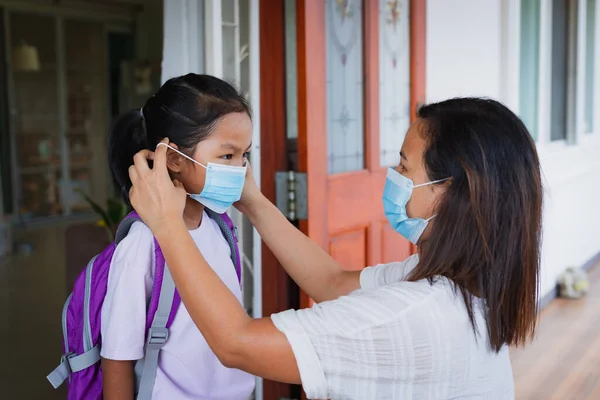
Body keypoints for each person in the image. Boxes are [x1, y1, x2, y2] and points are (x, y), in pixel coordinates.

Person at [127, 98, 542, 399]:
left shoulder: (414, 315)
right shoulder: (454, 287)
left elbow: (237, 343)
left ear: (448, 191)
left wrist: (166, 223)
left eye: (403, 166)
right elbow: (331, 281)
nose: (392, 174)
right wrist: (252, 200)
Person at [102, 73, 255, 399]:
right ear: (173, 158)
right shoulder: (143, 243)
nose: (241, 169)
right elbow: (117, 358)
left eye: (246, 155)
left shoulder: (221, 229)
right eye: (227, 156)